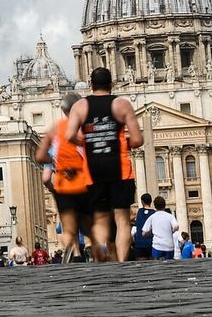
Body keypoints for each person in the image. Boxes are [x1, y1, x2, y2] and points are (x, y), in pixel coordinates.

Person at [65, 67, 143, 262]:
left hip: (93, 168)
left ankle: (104, 257)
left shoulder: (80, 106)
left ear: (90, 85)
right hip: (120, 167)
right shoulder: (122, 104)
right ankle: (122, 261)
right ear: (111, 84)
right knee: (122, 220)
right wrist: (124, 143)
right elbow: (138, 139)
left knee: (100, 219)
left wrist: (86, 141)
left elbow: (69, 135)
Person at [36, 92, 92, 264]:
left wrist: (55, 191)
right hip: (84, 183)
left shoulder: (56, 133)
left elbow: (45, 178)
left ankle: (75, 252)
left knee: (69, 224)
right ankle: (91, 245)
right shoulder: (84, 130)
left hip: (63, 186)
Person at [132, 192, 156, 260]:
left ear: (142, 202)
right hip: (151, 242)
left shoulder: (138, 211)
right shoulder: (154, 213)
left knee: (141, 263)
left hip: (139, 242)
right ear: (151, 201)